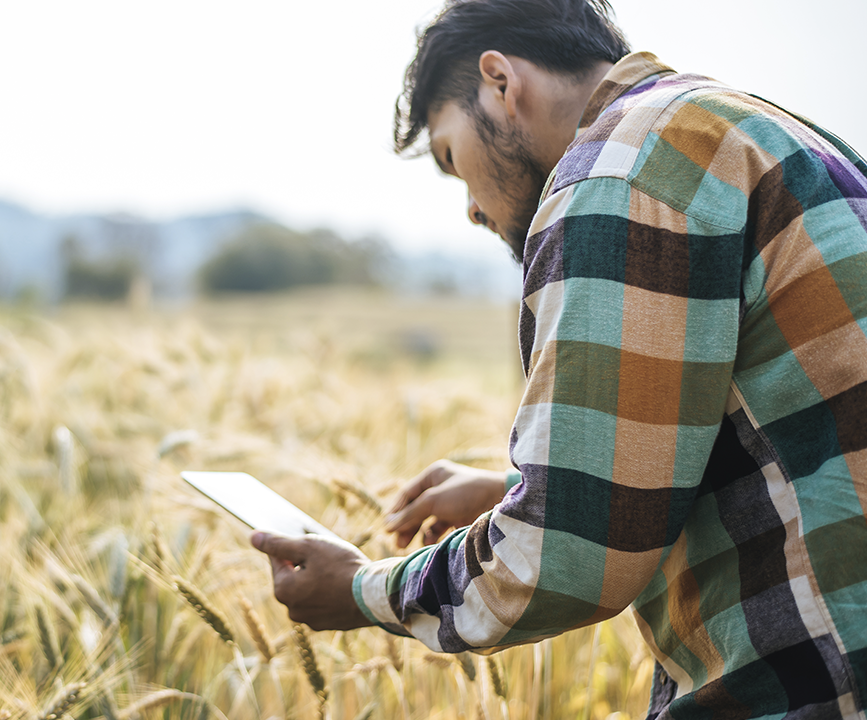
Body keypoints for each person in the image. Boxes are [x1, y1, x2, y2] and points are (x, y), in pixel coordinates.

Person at [250, 0, 867, 716]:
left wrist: (363, 589)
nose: (472, 211)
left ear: (501, 83)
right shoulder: (761, 130)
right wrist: (515, 489)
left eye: (453, 160)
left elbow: (569, 560)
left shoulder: (614, 175)